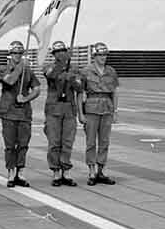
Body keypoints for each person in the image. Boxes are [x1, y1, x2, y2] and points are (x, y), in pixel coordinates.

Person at [0, 40, 41, 188]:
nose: (18, 56)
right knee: (10, 145)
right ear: (10, 54)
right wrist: (21, 67)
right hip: (8, 111)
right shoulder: (4, 69)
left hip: (23, 112)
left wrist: (26, 98)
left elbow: (36, 89)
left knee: (23, 144)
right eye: (15, 53)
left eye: (20, 53)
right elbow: (10, 81)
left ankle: (20, 172)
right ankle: (10, 172)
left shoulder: (28, 71)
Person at [42, 40, 83, 187]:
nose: (60, 54)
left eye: (62, 51)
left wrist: (70, 77)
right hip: (54, 108)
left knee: (67, 142)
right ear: (53, 54)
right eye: (57, 52)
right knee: (54, 142)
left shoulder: (74, 68)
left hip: (69, 109)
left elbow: (79, 87)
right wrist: (62, 66)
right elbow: (51, 76)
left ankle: (66, 171)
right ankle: (56, 172)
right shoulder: (49, 67)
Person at [78, 42, 119, 185]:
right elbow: (80, 93)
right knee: (90, 142)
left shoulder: (111, 71)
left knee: (104, 141)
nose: (103, 57)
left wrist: (115, 111)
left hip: (107, 107)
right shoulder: (86, 71)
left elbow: (114, 92)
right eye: (100, 55)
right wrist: (80, 113)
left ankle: (101, 170)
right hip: (91, 107)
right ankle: (91, 171)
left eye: (105, 55)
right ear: (94, 56)